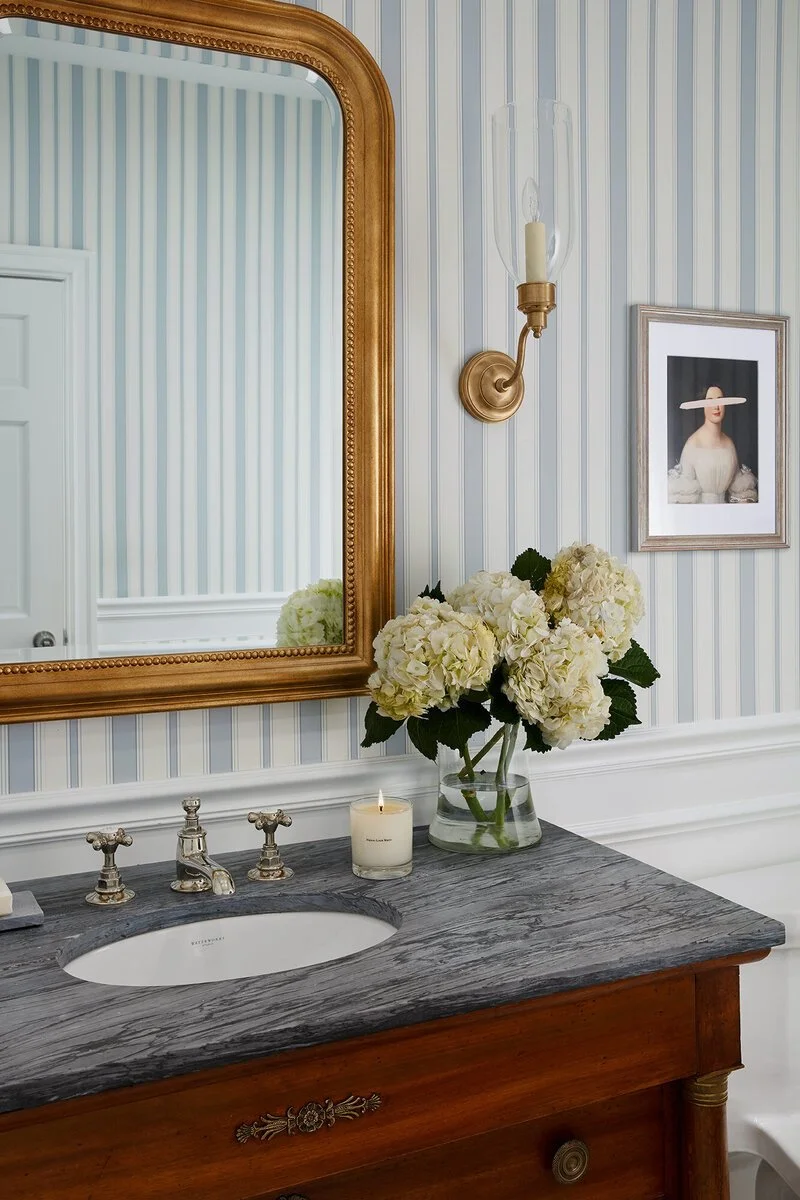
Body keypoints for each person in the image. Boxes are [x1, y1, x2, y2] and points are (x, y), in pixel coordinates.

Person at [667, 384, 756, 505]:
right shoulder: (693, 444)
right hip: (700, 513)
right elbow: (685, 497)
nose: (716, 407)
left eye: (720, 400)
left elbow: (738, 490)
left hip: (726, 513)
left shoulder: (729, 444)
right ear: (702, 405)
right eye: (710, 401)